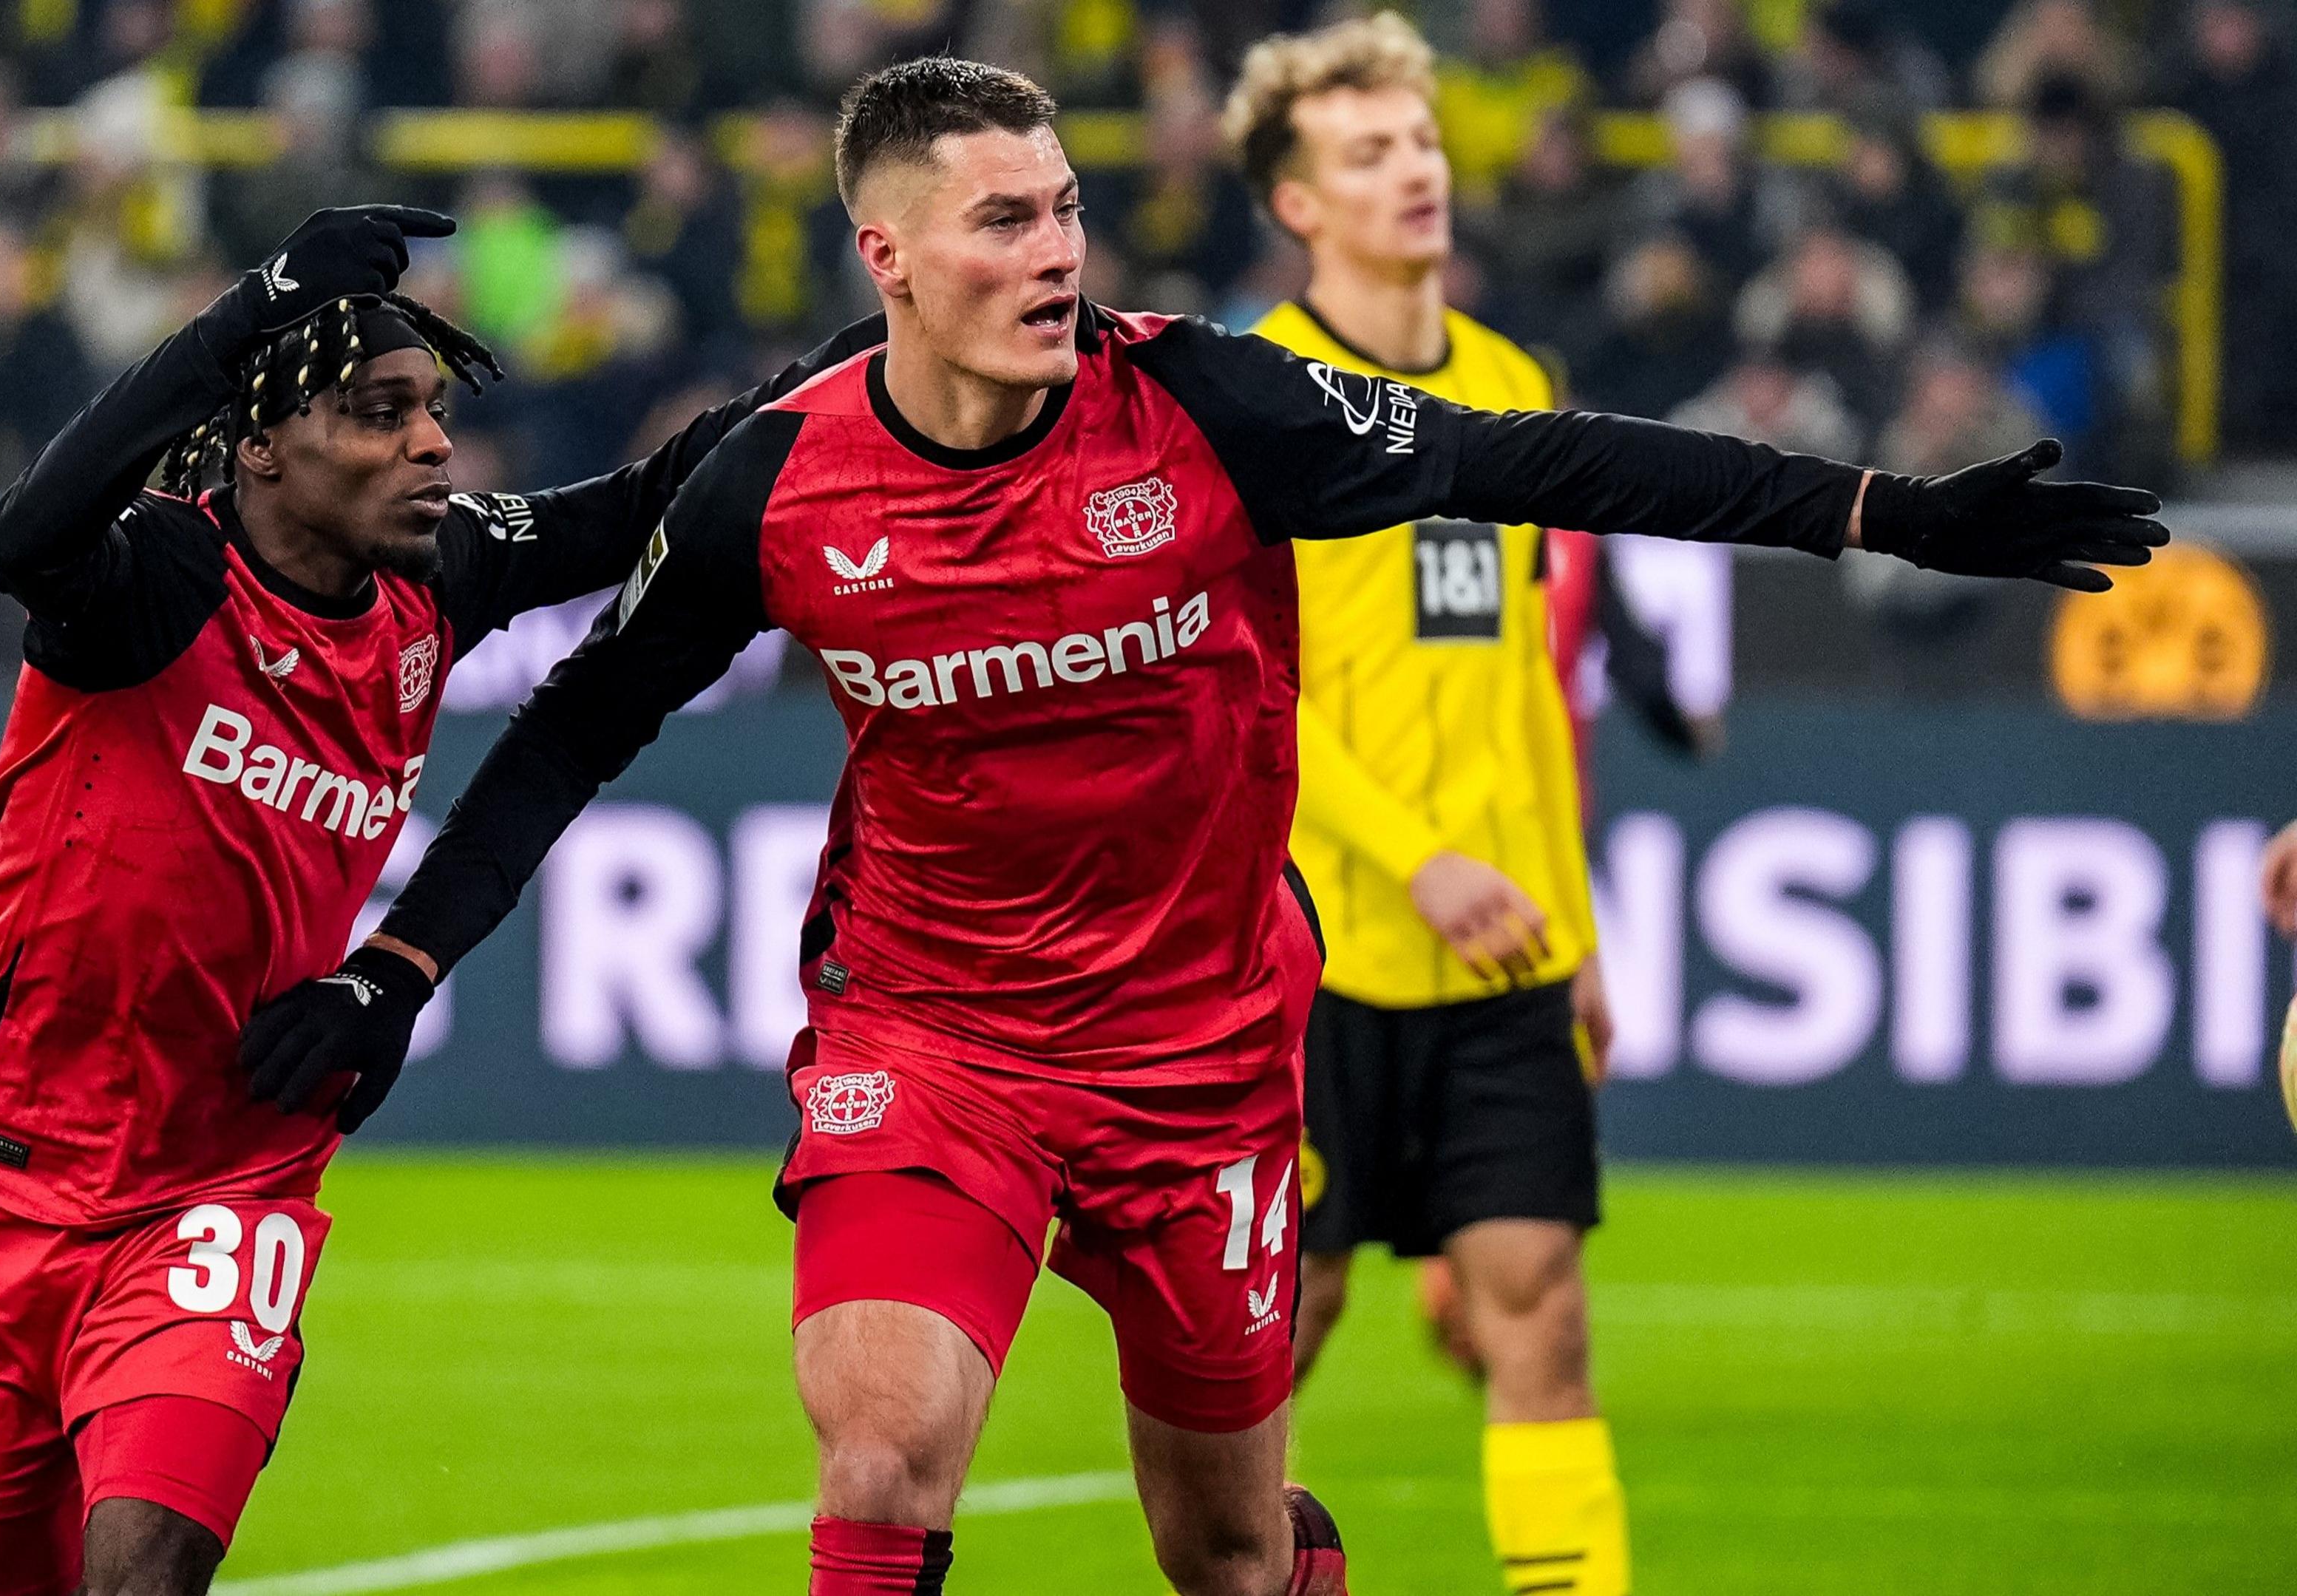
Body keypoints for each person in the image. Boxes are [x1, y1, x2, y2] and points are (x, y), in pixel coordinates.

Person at [292, 61, 2159, 1596]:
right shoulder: (779, 479)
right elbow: (571, 731)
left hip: (1201, 1052)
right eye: (1006, 220)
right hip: (930, 1037)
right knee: (878, 1464)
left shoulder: (1203, 403)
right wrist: (399, 962)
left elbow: (1539, 458)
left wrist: (1882, 512)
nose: (1057, 252)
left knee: (1227, 1555)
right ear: (891, 253)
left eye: (1070, 210)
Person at [0, 203, 877, 1596]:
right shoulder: (157, 583)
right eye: (377, 413)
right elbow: (27, 532)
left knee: (143, 1575)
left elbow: (659, 491)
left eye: (432, 411)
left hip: (228, 1180)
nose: (431, 443)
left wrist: (891, 343)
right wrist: (254, 305)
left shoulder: (438, 573)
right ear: (261, 448)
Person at [1221, 18, 1650, 1592]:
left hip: (1501, 958)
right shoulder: (1253, 396)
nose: (1415, 172)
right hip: (1316, 948)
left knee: (1538, 1302)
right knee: (1290, 1316)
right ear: (1297, 203)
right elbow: (1257, 696)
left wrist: (1574, 925)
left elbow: (1530, 684)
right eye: (1369, 153)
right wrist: (1422, 861)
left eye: (1422, 142)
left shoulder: (1511, 383)